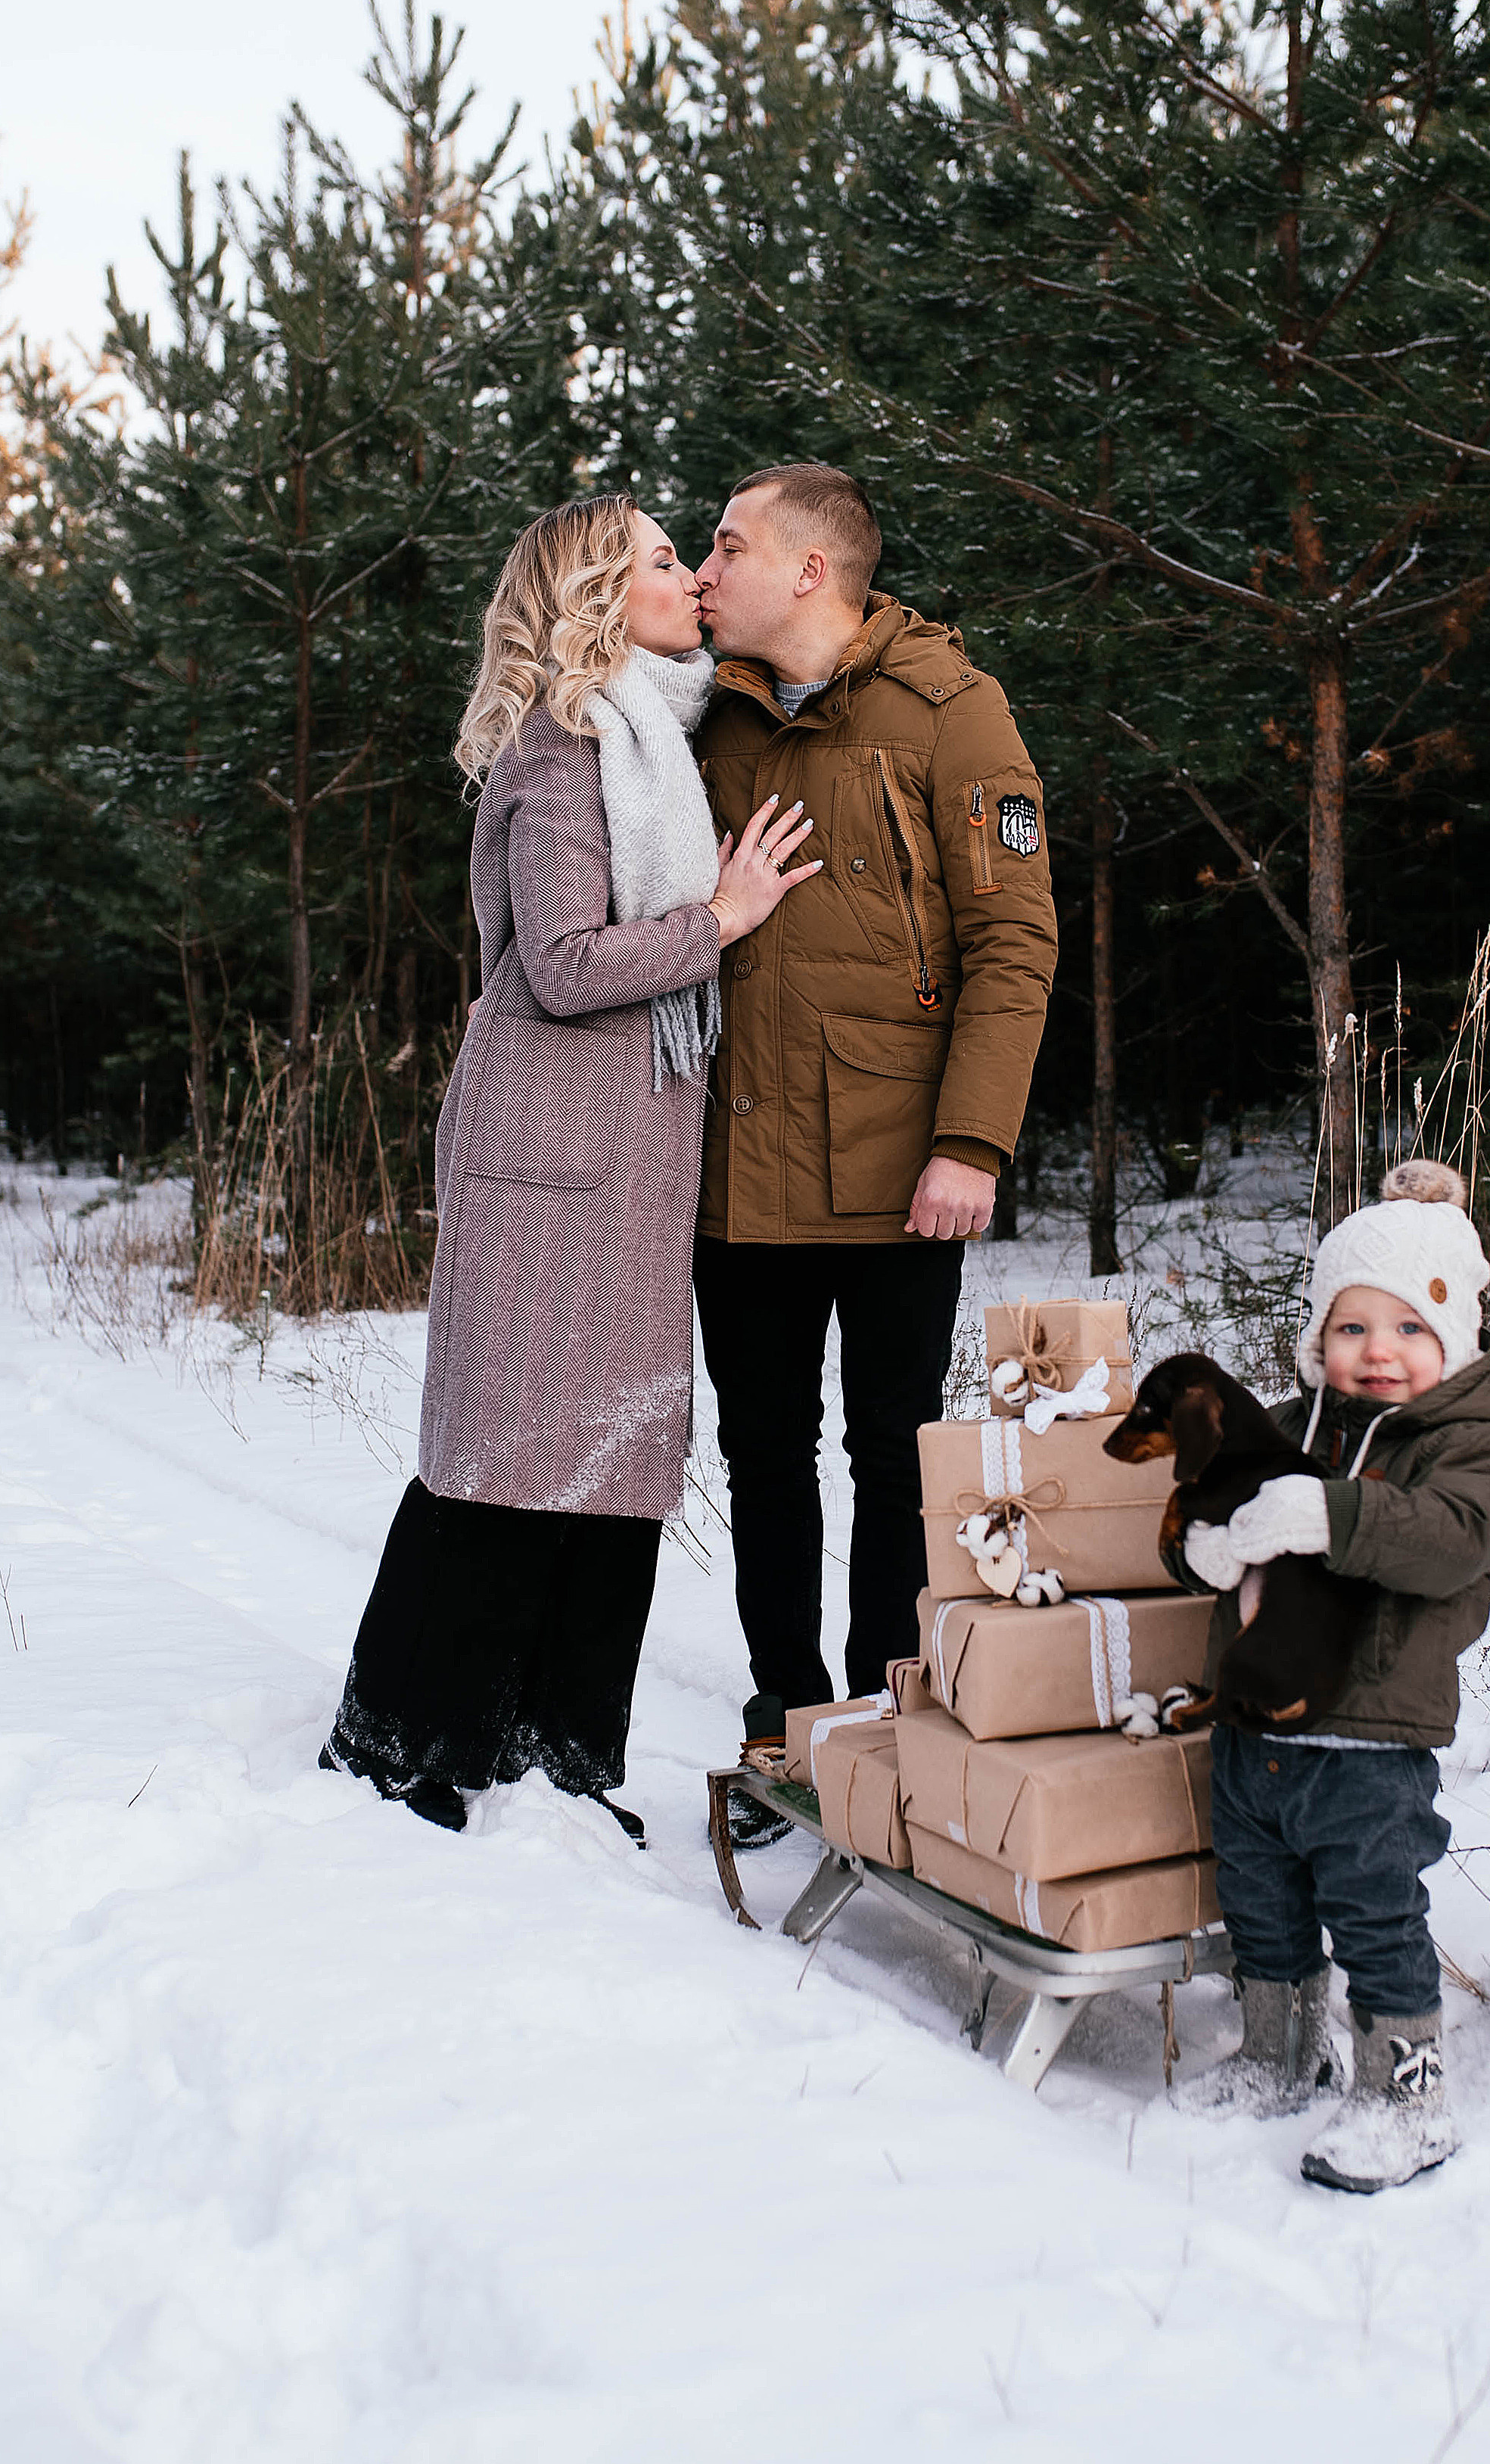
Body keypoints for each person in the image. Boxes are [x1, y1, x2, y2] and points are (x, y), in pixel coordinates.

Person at [322, 495, 818, 1838]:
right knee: (504, 1456)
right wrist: (721, 916)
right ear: (605, 592)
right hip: (549, 1159)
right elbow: (560, 967)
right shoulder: (564, 751)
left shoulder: (653, 733)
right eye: (666, 560)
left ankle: (561, 1760)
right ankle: (408, 1743)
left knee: (613, 1466)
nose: (690, 581)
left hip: (632, 1161)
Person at [690, 464, 1057, 1827]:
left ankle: (882, 1718)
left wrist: (972, 1141)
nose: (705, 567)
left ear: (808, 571)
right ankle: (785, 1718)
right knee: (762, 1454)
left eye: (728, 545)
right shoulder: (706, 713)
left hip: (904, 1166)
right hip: (735, 1159)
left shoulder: (951, 712)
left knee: (893, 1452)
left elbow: (1015, 939)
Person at [1181, 1159, 1490, 2193]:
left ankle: (1404, 2092)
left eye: (1411, 1329)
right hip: (1257, 1736)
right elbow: (1217, 1496)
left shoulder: (1465, 1444)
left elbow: (1450, 1540)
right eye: (1354, 1328)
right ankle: (1280, 2052)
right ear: (1319, 1337)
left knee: (1375, 1912)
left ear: (1452, 1339)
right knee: (1262, 1906)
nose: (1380, 1353)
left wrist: (1329, 1515)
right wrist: (1199, 1541)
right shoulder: (1296, 1425)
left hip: (1370, 1743)